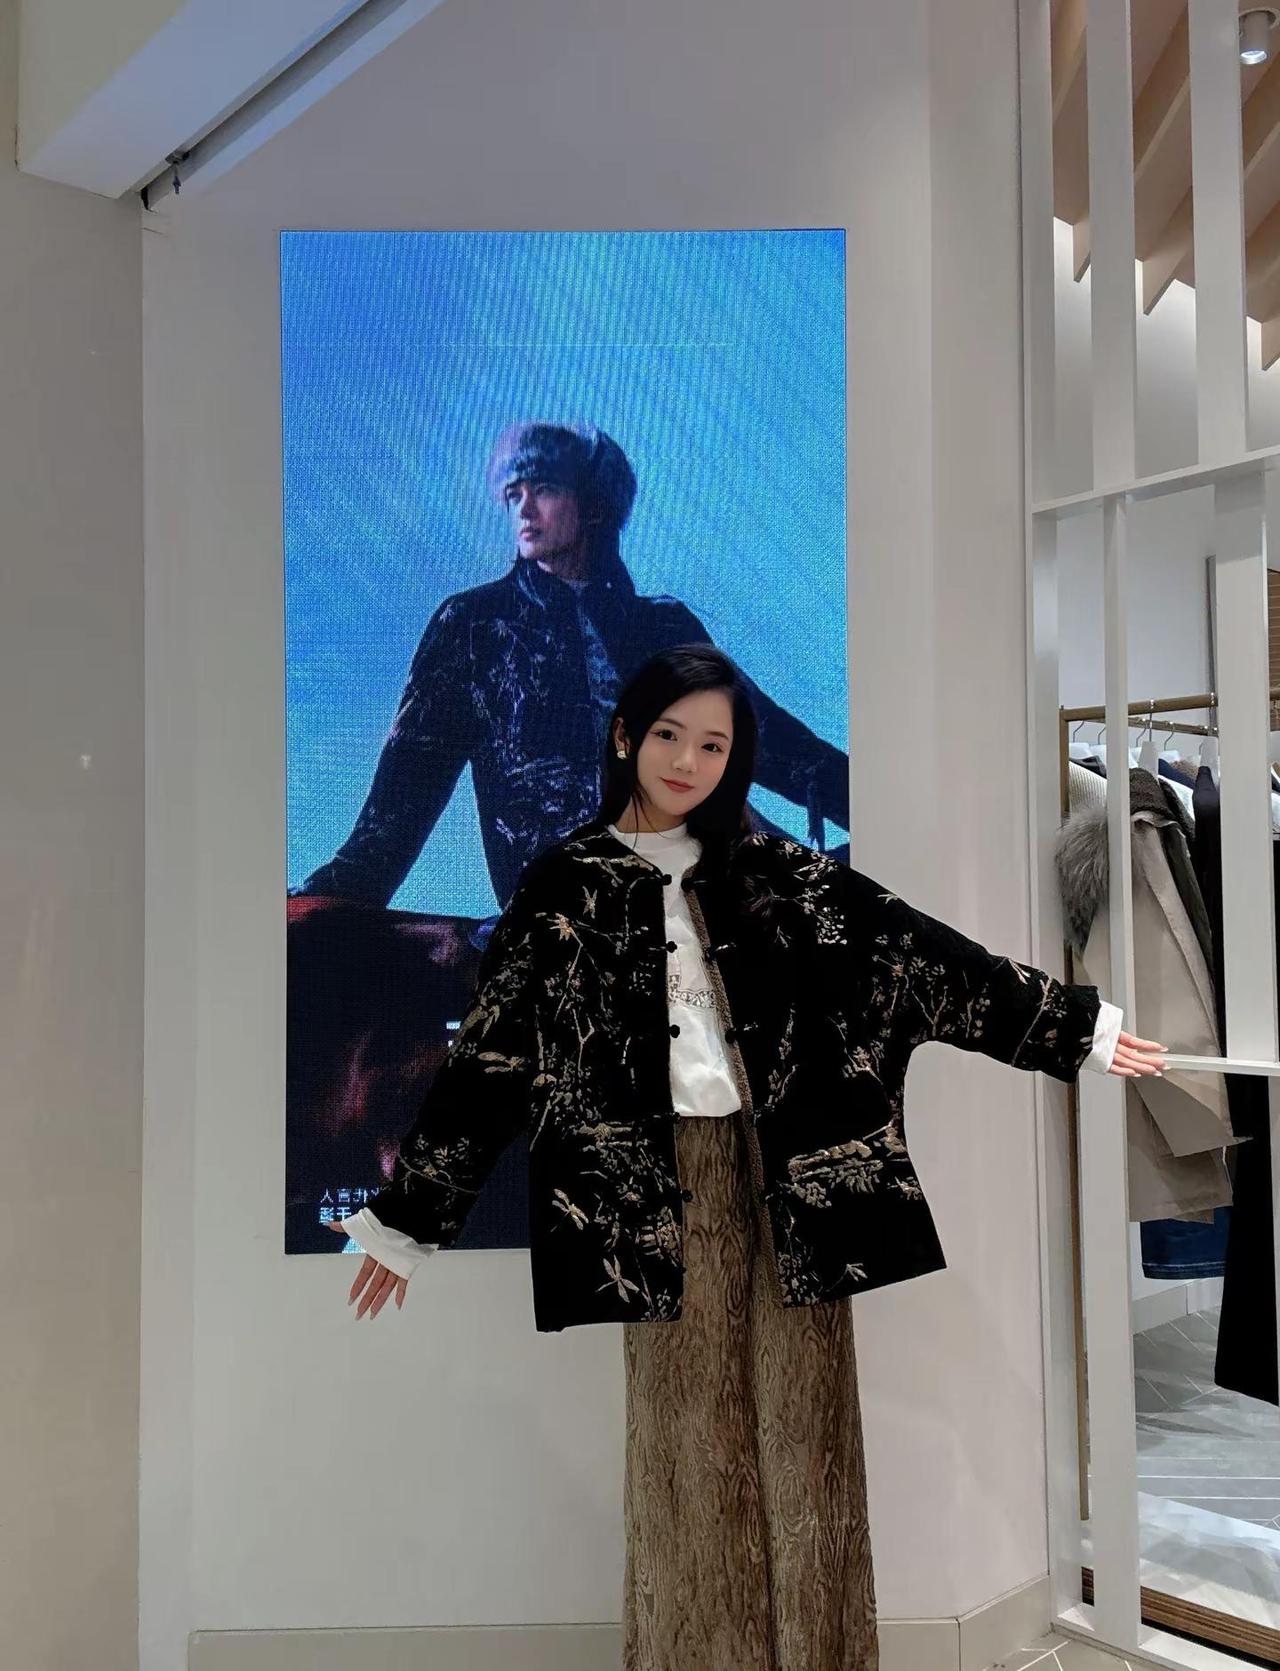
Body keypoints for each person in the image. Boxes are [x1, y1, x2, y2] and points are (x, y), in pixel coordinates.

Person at [328, 643, 1166, 1671]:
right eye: (669, 735)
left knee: (811, 1439)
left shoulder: (780, 875)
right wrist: (411, 1220)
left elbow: (920, 956)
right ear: (626, 736)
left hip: (792, 1177)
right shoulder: (563, 886)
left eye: (714, 744)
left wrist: (1073, 1028)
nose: (688, 761)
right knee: (683, 1446)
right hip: (645, 1189)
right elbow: (493, 1059)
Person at [293, 421, 850, 916]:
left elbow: (772, 744)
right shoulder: (475, 626)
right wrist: (324, 902)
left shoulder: (664, 627)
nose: (524, 509)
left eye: (544, 489)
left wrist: (879, 803)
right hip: (562, 905)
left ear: (595, 504)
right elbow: (403, 797)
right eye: (513, 493)